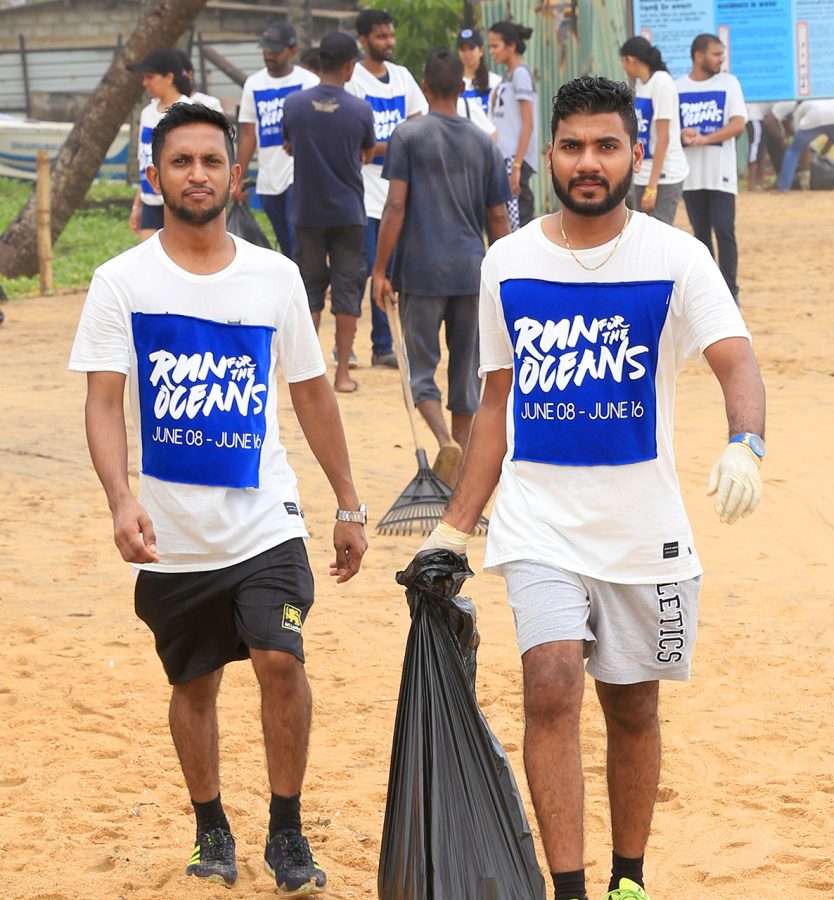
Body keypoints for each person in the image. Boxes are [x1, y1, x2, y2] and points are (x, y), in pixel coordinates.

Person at [416, 76, 766, 900]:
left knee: (633, 710)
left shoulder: (676, 257)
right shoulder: (508, 262)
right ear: (548, 155)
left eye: (606, 145)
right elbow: (496, 403)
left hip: (644, 530)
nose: (588, 162)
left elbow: (737, 361)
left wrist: (746, 444)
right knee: (550, 685)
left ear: (634, 154)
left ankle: (627, 879)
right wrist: (454, 527)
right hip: (540, 523)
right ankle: (569, 888)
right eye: (572, 146)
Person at [68, 102, 368, 894]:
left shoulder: (274, 277)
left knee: (280, 659)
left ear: (236, 177)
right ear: (155, 176)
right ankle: (211, 828)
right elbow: (104, 401)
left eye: (211, 161)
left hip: (266, 520)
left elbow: (312, 393)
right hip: (172, 535)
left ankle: (286, 830)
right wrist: (120, 498)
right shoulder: (122, 282)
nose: (196, 174)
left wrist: (347, 501)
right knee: (193, 684)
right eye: (181, 162)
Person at [371, 50, 510, 483]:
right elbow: (499, 217)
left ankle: (445, 440)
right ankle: (461, 465)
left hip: (422, 272)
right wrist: (505, 274)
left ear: (425, 88)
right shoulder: (484, 143)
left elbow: (395, 206)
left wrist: (380, 269)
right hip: (472, 273)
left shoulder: (408, 135)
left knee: (420, 368)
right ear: (463, 89)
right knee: (467, 372)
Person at [282, 32, 376, 394]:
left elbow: (289, 145)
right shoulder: (360, 110)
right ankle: (342, 375)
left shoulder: (294, 105)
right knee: (348, 291)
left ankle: (309, 373)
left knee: (309, 288)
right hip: (348, 211)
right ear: (350, 66)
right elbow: (367, 153)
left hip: (307, 209)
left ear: (319, 61)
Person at [347, 9, 428, 369]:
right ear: (364, 40)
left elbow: (419, 125)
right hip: (363, 194)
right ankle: (346, 345)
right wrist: (398, 144)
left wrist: (379, 147)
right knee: (363, 269)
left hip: (397, 191)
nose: (389, 42)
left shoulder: (402, 76)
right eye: (381, 36)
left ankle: (383, 345)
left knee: (390, 271)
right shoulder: (353, 80)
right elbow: (355, 144)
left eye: (391, 35)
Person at [234, 21, 319, 258]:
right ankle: (297, 275)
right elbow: (248, 133)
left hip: (299, 173)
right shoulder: (254, 84)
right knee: (284, 240)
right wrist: (238, 176)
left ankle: (304, 278)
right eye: (265, 49)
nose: (269, 55)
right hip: (268, 177)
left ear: (291, 51)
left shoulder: (308, 82)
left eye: (275, 50)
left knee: (296, 235)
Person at [675, 34, 747, 301]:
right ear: (698, 56)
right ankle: (709, 291)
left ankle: (730, 291)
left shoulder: (729, 83)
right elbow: (669, 128)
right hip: (691, 176)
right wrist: (682, 135)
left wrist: (705, 138)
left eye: (722, 54)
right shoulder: (677, 87)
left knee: (724, 229)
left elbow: (738, 124)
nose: (721, 59)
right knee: (700, 234)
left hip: (721, 175)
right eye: (716, 54)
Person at [619, 36, 688, 225]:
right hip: (644, 173)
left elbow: (663, 138)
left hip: (664, 175)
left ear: (630, 59)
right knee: (639, 231)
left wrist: (652, 187)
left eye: (623, 62)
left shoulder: (662, 83)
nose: (623, 67)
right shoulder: (641, 84)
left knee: (659, 232)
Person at [127, 49, 192, 241]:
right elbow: (145, 162)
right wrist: (137, 205)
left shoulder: (188, 111)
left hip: (178, 202)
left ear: (169, 77)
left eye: (150, 77)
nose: (145, 83)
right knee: (148, 256)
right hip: (150, 201)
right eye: (144, 77)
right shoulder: (147, 113)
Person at [487, 20, 538, 230]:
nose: (491, 51)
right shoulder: (506, 77)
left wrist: (517, 166)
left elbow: (528, 123)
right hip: (504, 158)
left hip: (515, 160)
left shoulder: (520, 74)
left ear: (511, 46)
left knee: (518, 224)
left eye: (495, 46)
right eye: (489, 46)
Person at [776, 99, 834, 193]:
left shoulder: (801, 106)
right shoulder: (833, 100)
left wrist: (806, 168)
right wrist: (822, 153)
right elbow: (833, 140)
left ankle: (784, 186)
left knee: (793, 151)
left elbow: (799, 138)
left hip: (814, 117)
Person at [457, 27, 501, 115]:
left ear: (481, 50)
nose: (467, 53)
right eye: (463, 49)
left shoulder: (496, 82)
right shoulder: (453, 83)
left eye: (471, 48)